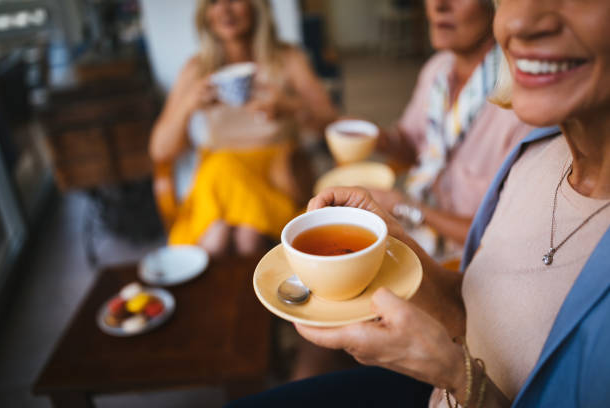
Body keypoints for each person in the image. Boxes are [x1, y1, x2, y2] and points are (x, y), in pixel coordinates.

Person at [226, 0, 610, 406]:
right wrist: (394, 240)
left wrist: (456, 377)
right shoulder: (535, 156)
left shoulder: (524, 122)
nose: (519, 21)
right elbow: (470, 307)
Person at [149, 0, 337, 257]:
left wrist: (289, 107)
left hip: (276, 176)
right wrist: (187, 105)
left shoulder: (287, 59)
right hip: (218, 178)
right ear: (206, 13)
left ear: (256, 6)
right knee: (229, 228)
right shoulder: (197, 69)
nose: (225, 10)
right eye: (214, 2)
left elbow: (332, 121)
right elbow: (160, 150)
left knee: (229, 236)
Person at [372, 0, 532, 255]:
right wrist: (376, 138)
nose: (438, 5)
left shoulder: (522, 102)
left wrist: (404, 207)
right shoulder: (436, 70)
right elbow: (411, 146)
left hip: (465, 261)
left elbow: (506, 235)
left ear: (498, 6)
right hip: (418, 231)